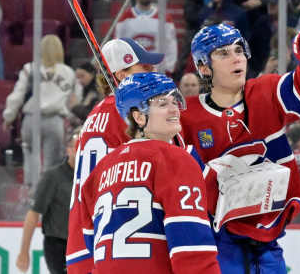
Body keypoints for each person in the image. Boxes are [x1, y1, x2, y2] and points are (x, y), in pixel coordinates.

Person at [181, 20, 300, 273]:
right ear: (204, 67)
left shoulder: (265, 91)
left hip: (267, 242)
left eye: (238, 50)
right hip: (216, 244)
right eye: (223, 53)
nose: (236, 58)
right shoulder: (186, 116)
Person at [75, 72, 221, 273]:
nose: (174, 109)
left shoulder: (99, 172)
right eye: (163, 104)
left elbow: (93, 244)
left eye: (175, 101)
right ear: (138, 117)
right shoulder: (176, 160)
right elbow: (192, 251)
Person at [66, 37, 165, 274]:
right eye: (145, 67)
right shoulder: (129, 114)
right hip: (115, 243)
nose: (154, 72)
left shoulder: (95, 115)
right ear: (121, 75)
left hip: (86, 241)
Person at [2, 35, 76, 188]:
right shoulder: (68, 72)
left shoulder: (30, 68)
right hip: (55, 119)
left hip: (31, 119)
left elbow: (18, 95)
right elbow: (74, 100)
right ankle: (46, 200)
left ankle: (31, 196)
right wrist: (70, 118)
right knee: (51, 163)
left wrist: (9, 116)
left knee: (30, 158)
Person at [16, 128, 79, 274]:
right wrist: (24, 251)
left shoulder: (91, 175)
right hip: (58, 245)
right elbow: (33, 213)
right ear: (68, 150)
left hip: (83, 244)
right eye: (77, 146)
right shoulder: (53, 177)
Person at [114, 0, 179, 75]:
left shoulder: (164, 17)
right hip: (133, 72)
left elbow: (171, 45)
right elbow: (118, 46)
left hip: (157, 70)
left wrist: (168, 68)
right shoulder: (124, 18)